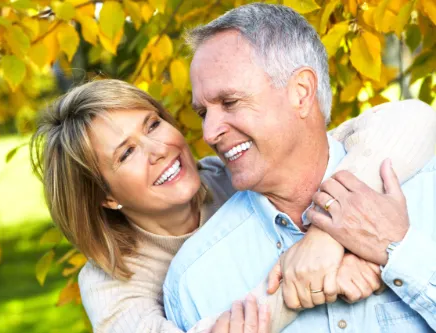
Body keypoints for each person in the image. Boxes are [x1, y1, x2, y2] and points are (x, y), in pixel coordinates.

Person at [30, 79, 433, 333]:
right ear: (107, 197)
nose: (159, 150)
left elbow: (408, 122)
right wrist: (318, 281)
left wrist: (328, 238)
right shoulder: (111, 279)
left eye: (153, 125)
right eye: (126, 153)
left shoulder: (234, 173)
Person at [163, 3, 436, 333]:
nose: (209, 133)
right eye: (204, 113)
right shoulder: (195, 279)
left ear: (301, 92)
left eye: (230, 102)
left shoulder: (427, 191)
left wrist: (399, 253)